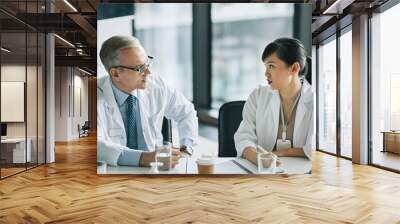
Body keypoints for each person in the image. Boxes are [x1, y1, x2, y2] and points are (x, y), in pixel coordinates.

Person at [97, 35, 198, 167]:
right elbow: (96, 146)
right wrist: (144, 158)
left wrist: (187, 147)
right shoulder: (93, 96)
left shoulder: (158, 86)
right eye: (140, 68)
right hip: (113, 173)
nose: (148, 72)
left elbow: (186, 112)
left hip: (156, 170)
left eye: (147, 63)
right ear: (116, 74)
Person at [234, 37, 314, 165]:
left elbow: (314, 147)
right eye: (266, 66)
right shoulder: (258, 96)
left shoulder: (314, 100)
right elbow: (244, 136)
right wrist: (256, 158)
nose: (266, 73)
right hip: (262, 172)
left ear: (294, 68)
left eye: (271, 66)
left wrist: (282, 153)